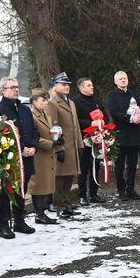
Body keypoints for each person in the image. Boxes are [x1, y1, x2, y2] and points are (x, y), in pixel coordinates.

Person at [0, 77, 37, 238]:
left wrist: (33, 146)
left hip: (27, 156)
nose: (16, 90)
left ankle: (19, 221)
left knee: (22, 189)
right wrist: (21, 149)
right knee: (7, 191)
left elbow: (34, 130)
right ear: (3, 90)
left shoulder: (24, 109)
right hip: (10, 158)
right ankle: (4, 225)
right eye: (11, 87)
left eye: (17, 87)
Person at [105, 70, 140, 200]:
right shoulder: (111, 95)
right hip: (120, 135)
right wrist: (129, 119)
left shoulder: (133, 94)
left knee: (132, 166)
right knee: (119, 166)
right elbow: (114, 112)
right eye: (120, 78)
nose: (123, 80)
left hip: (134, 134)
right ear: (116, 82)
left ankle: (130, 189)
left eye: (125, 78)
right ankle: (121, 190)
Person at [48, 72, 82, 216]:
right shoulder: (53, 103)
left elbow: (76, 125)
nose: (66, 87)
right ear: (55, 86)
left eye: (68, 85)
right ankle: (59, 206)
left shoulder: (71, 102)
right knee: (60, 178)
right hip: (63, 146)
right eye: (63, 85)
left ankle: (67, 203)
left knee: (69, 176)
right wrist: (59, 148)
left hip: (72, 146)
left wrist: (80, 144)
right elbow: (54, 127)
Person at [72, 76, 105, 205]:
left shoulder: (96, 100)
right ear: (81, 88)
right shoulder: (75, 101)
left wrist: (103, 122)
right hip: (84, 138)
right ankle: (82, 195)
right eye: (89, 85)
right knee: (84, 167)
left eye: (92, 85)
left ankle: (93, 193)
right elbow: (76, 121)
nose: (92, 87)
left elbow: (104, 114)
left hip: (97, 137)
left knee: (96, 166)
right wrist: (91, 123)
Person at [27, 89, 58, 225]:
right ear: (34, 102)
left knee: (45, 183)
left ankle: (42, 212)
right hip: (38, 154)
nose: (46, 102)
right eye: (43, 100)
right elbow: (33, 137)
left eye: (46, 100)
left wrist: (57, 137)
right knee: (38, 184)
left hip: (47, 154)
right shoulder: (32, 116)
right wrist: (51, 143)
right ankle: (39, 214)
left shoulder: (46, 114)